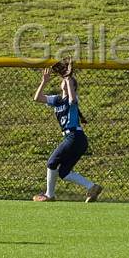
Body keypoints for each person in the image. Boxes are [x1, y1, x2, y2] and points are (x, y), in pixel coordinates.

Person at [31, 59, 102, 203]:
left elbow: (72, 98)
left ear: (72, 86)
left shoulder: (72, 100)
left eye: (67, 80)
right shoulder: (57, 100)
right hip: (76, 139)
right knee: (63, 172)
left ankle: (49, 195)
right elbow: (37, 98)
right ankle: (92, 187)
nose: (64, 80)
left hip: (74, 137)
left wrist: (69, 78)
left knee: (52, 162)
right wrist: (44, 81)